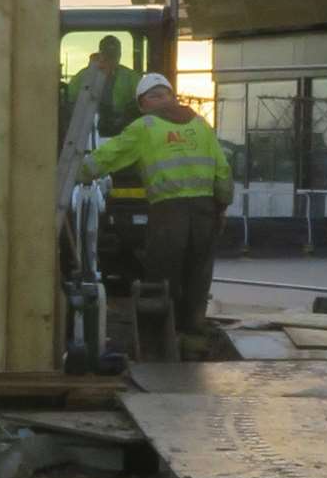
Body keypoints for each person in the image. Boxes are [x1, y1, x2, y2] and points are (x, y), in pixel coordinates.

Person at [80, 73, 233, 335]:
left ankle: (162, 334)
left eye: (157, 96)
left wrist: (74, 173)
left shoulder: (145, 127)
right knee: (199, 273)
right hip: (204, 211)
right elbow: (223, 172)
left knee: (163, 274)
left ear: (143, 105)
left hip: (168, 212)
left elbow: (108, 156)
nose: (159, 100)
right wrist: (222, 205)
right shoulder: (200, 125)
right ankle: (194, 328)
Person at [65, 35, 141, 136]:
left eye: (114, 55)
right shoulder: (83, 76)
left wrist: (124, 118)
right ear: (101, 53)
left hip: (123, 130)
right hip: (88, 129)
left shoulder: (132, 77)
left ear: (120, 55)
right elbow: (69, 101)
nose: (111, 59)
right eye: (107, 55)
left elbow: (141, 102)